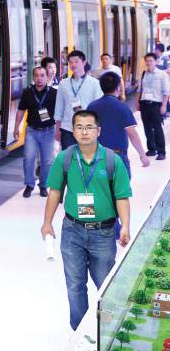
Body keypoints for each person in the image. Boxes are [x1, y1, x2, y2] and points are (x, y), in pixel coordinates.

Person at [41, 110, 132, 331]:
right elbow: (55, 192)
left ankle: (107, 332)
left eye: (89, 127)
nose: (84, 132)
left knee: (105, 286)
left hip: (103, 233)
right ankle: (80, 332)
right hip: (72, 230)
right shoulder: (65, 158)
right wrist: (47, 222)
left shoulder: (112, 160)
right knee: (75, 285)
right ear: (73, 131)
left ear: (98, 131)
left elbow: (122, 196)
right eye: (79, 127)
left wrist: (125, 226)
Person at [87, 72, 151, 177]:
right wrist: (142, 155)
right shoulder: (122, 107)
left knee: (99, 185)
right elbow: (132, 134)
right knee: (121, 185)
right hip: (117, 156)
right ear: (117, 88)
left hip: (96, 155)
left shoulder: (91, 107)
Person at [14, 66, 57, 197]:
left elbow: (59, 112)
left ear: (47, 77)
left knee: (47, 161)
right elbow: (21, 110)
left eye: (42, 75)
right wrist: (16, 127)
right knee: (28, 158)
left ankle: (43, 185)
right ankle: (29, 185)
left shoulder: (53, 93)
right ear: (33, 77)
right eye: (36, 75)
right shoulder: (27, 92)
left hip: (48, 131)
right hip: (32, 131)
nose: (39, 78)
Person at [54, 50, 104, 150]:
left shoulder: (94, 83)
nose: (73, 65)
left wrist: (98, 129)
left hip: (88, 129)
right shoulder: (63, 83)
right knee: (68, 157)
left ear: (84, 62)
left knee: (86, 157)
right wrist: (57, 129)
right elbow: (59, 107)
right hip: (67, 128)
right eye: (70, 62)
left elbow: (99, 108)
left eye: (76, 62)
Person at [137, 53, 170, 160]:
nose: (148, 63)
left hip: (156, 104)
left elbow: (166, 92)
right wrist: (138, 102)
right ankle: (151, 149)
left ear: (156, 61)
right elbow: (140, 90)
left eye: (151, 60)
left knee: (157, 128)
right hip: (144, 103)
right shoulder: (144, 74)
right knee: (147, 128)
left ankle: (161, 152)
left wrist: (164, 105)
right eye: (147, 61)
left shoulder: (162, 74)